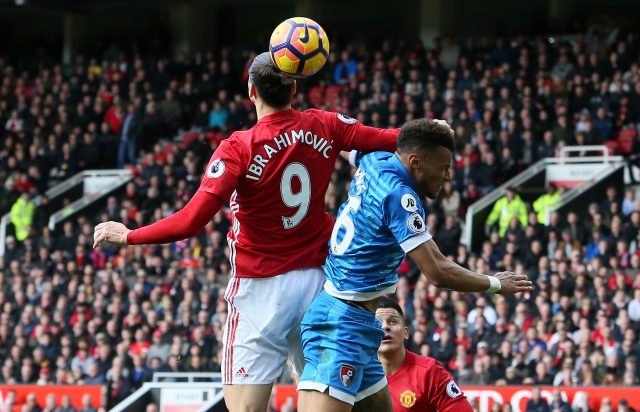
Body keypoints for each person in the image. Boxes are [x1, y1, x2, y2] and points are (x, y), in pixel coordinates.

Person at [93, 52, 399, 412]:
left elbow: (191, 220)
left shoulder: (238, 147)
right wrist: (436, 130)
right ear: (294, 88)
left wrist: (130, 235)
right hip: (321, 284)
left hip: (261, 291)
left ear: (251, 91)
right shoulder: (325, 124)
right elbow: (389, 139)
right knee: (364, 403)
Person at [297, 119, 532, 411]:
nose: (447, 176)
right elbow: (437, 270)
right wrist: (495, 283)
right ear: (416, 161)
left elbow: (345, 145)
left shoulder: (375, 159)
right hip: (339, 325)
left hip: (360, 321)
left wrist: (422, 130)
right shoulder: (400, 195)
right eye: (444, 167)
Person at [375, 296, 473, 411]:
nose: (385, 326)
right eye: (378, 322)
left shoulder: (429, 371)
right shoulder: (357, 374)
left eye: (393, 321)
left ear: (405, 333)